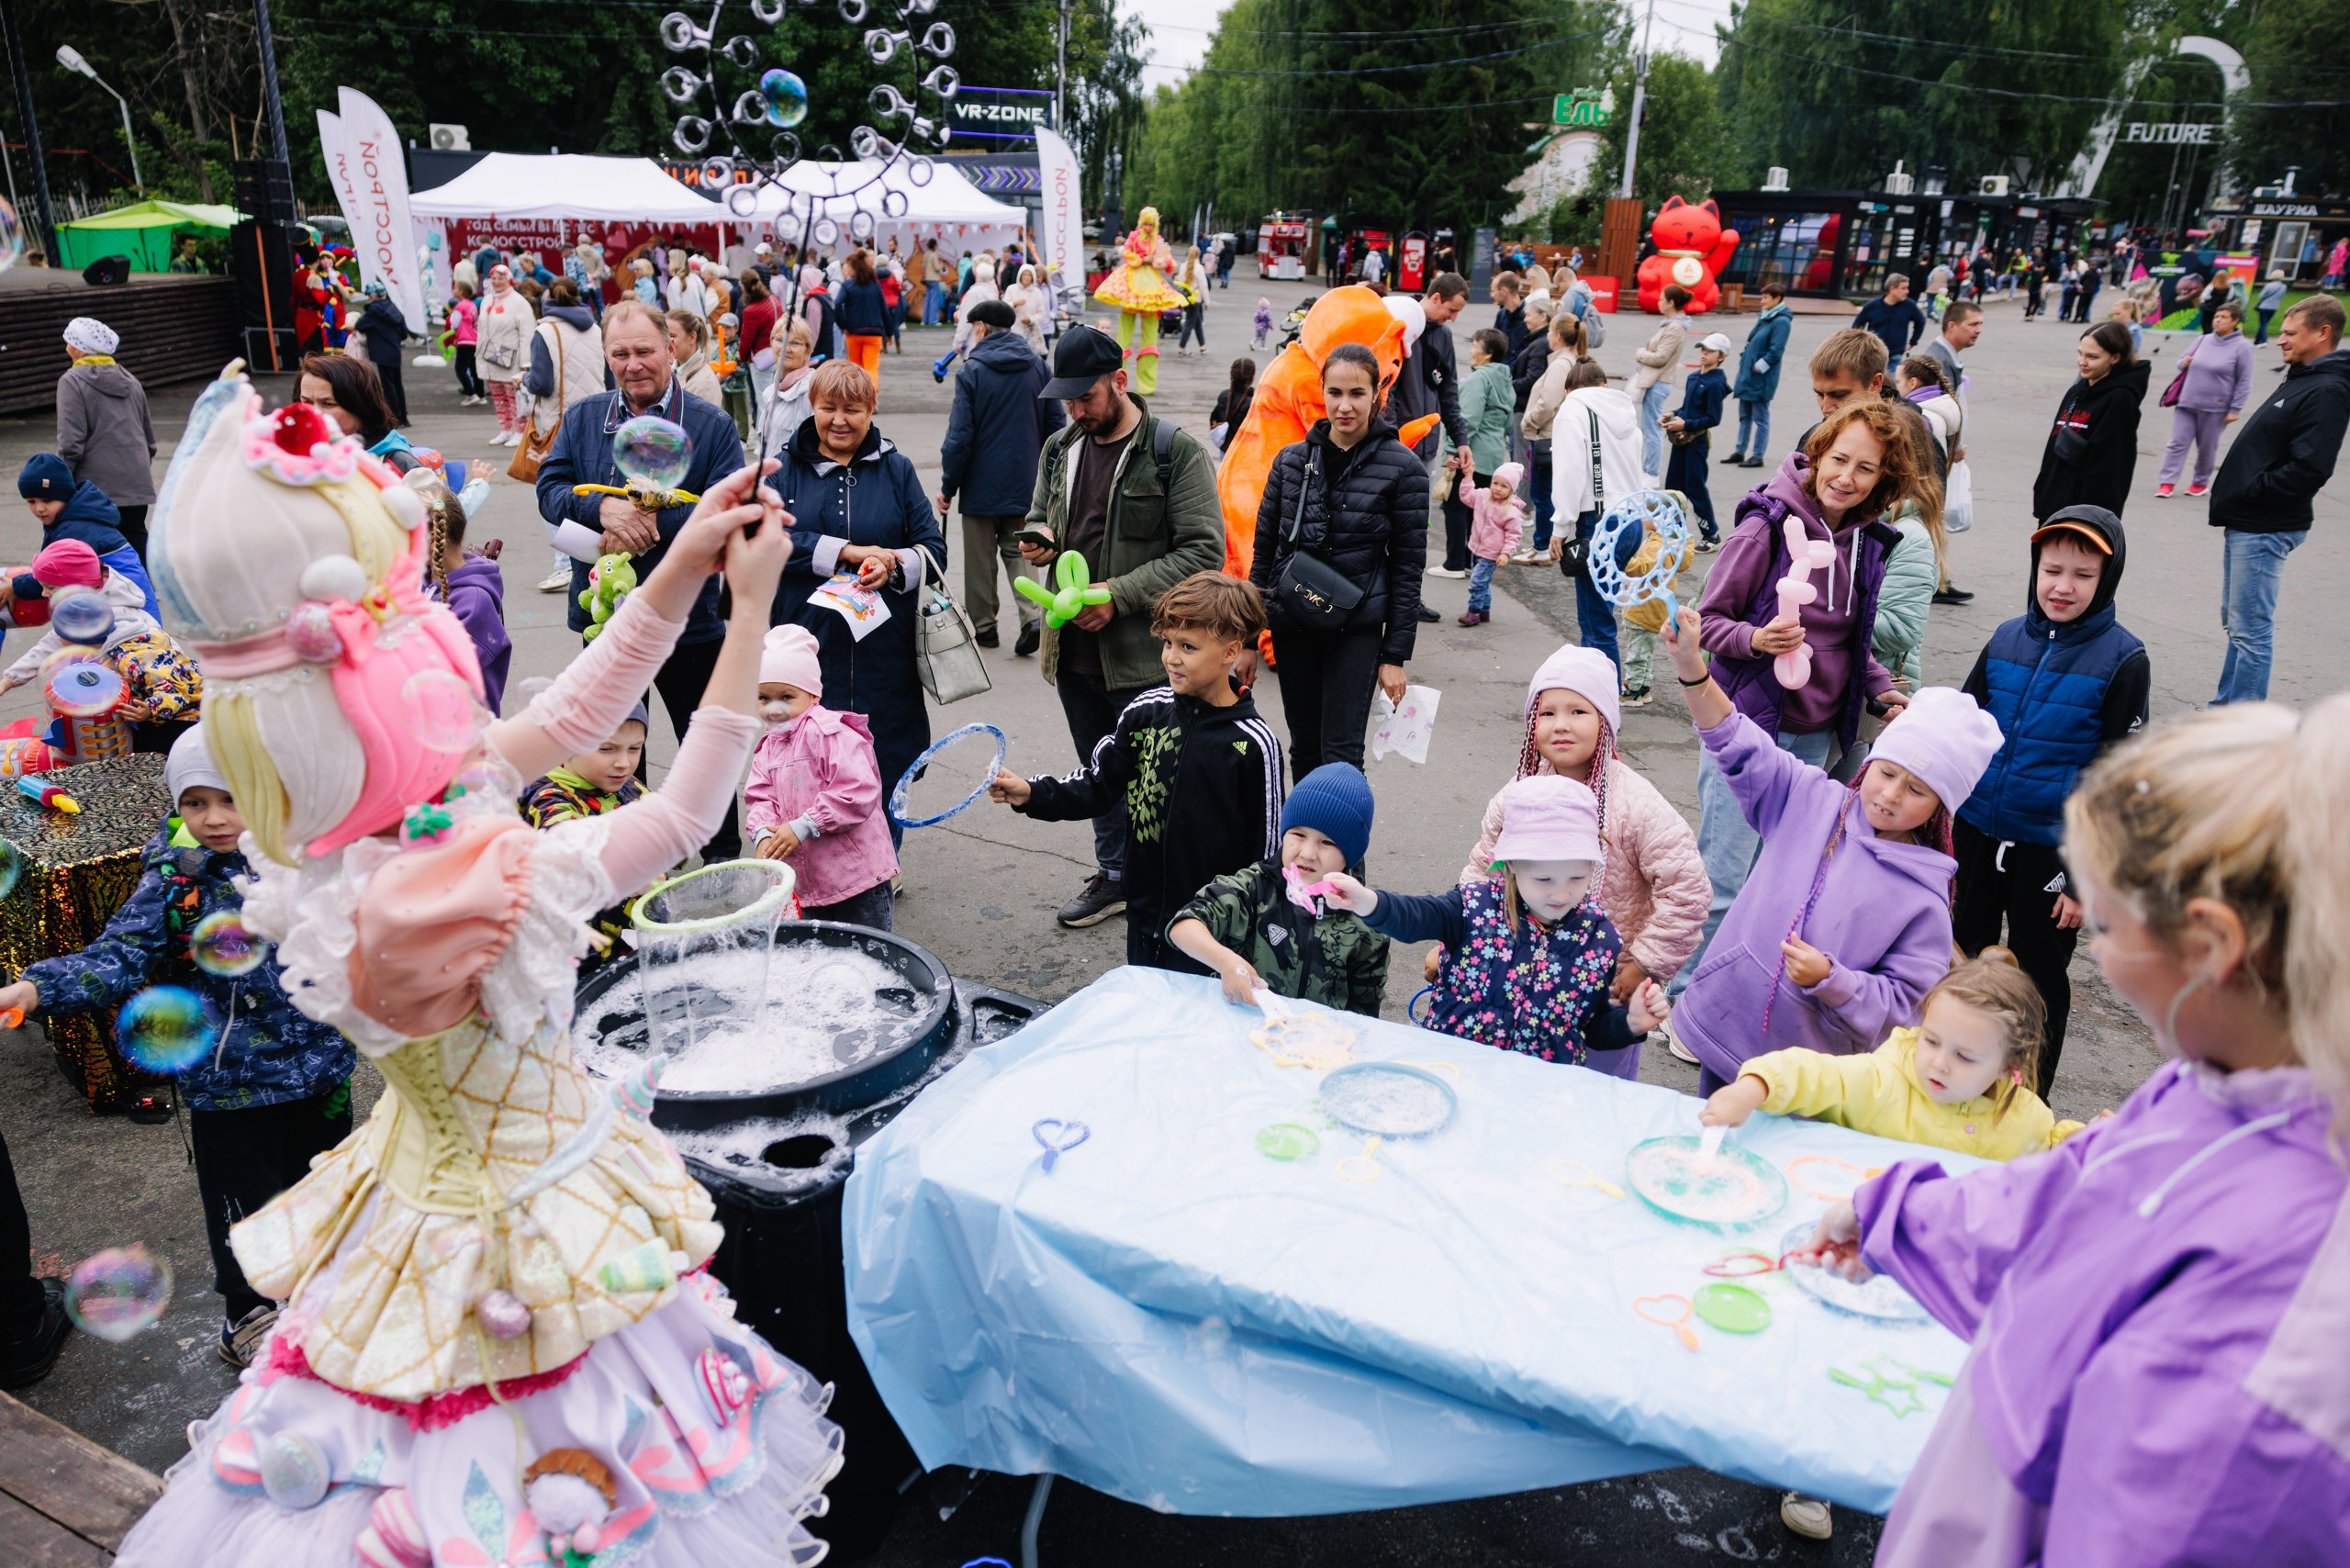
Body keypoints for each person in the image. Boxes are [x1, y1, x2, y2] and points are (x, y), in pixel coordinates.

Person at [113, 370, 844, 1562]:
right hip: (522, 1237)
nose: (438, 660)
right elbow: (675, 818)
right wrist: (749, 613)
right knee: (546, 1500)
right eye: (407, 645)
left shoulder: (352, 826)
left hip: (427, 1206)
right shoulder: (446, 890)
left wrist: (686, 563)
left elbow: (558, 722)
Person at [1799, 699, 2350, 1568]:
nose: (2093, 945)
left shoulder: (2289, 1327)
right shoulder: (2208, 1085)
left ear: (2209, 947)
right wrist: (1897, 1217)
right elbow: (2069, 1198)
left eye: (2104, 925)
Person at [0, 726, 353, 1367]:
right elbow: (119, 955)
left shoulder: (312, 858)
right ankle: (246, 1315)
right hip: (229, 1087)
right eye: (195, 802)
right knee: (244, 1215)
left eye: (232, 797)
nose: (214, 818)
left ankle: (320, 1296)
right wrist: (35, 989)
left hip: (323, 1069)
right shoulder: (176, 882)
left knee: (325, 1194)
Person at [1664, 610, 2003, 1093]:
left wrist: (1834, 980)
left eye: (1917, 790)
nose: (1890, 795)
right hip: (1727, 1027)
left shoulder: (1925, 902)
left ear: (1939, 810)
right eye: (1888, 773)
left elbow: (1904, 1007)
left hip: (1812, 1080)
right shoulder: (1809, 799)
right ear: (1872, 764)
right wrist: (1692, 666)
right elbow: (1737, 741)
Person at [1662, 399, 1919, 1025]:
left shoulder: (1865, 540)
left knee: (1780, 884)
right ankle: (1681, 1003)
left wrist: (1881, 690)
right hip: (1750, 726)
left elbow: (1850, 638)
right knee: (1726, 877)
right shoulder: (1766, 527)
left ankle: (1740, 997)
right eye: (1839, 459)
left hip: (1821, 740)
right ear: (1817, 455)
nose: (1847, 477)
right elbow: (1708, 622)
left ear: (1881, 479)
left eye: (1865, 468)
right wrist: (1757, 640)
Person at [1019, 325, 1225, 927]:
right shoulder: (1059, 448)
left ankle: (1173, 886)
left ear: (1119, 382)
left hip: (1143, 656)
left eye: (1087, 398)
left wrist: (1119, 594)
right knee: (1099, 771)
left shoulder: (1173, 450)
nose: (1077, 410)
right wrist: (1040, 538)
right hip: (1073, 649)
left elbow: (1203, 550)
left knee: (1161, 778)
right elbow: (1040, 514)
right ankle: (1115, 875)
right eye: (1068, 401)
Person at [536, 298, 749, 858]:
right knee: (616, 749)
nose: (633, 364)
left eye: (645, 351)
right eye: (620, 353)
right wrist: (603, 512)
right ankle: (641, 861)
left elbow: (729, 506)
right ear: (607, 356)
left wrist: (653, 522)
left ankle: (723, 855)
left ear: (671, 349)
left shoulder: (710, 424)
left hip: (690, 620)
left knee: (704, 745)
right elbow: (549, 491)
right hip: (605, 618)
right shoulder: (584, 418)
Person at [991, 573, 1282, 968]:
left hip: (1214, 934)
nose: (1171, 657)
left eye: (1188, 646)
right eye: (1167, 642)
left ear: (1231, 651)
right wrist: (1032, 792)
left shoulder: (1253, 743)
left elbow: (1267, 856)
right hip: (1144, 916)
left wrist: (1251, 934)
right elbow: (1098, 783)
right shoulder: (1147, 712)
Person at [1953, 506, 2145, 1095]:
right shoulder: (2006, 636)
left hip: (2051, 854)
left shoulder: (2123, 658)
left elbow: (2117, 779)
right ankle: (1960, 1081)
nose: (2063, 586)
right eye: (2052, 569)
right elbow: (1963, 725)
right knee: (1964, 965)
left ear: (2106, 581)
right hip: (1976, 834)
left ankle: (2025, 1097)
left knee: (2037, 979)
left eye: (2082, 575)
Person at [1458, 645, 1708, 1070]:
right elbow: (1483, 872)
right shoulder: (1518, 794)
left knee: (1593, 1105)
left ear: (1606, 723)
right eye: (1548, 712)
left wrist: (1644, 965)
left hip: (1605, 989)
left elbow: (1688, 891)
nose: (1561, 725)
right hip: (1520, 982)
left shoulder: (1636, 804)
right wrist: (1462, 941)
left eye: (1578, 711)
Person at [1322, 775, 1670, 1062]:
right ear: (1512, 866)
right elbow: (1415, 916)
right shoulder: (1473, 906)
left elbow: (1589, 1027)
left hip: (1537, 1095)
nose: (1561, 894)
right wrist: (1368, 901)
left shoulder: (1598, 938)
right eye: (1544, 879)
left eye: (1577, 878)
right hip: (1455, 1070)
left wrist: (1631, 1022)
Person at [1703, 953, 2081, 1159]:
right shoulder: (1884, 1080)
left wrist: (2095, 1143)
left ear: (2008, 1066)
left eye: (1965, 1057)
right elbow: (1815, 1073)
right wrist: (1753, 1088)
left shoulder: (2027, 1119)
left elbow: (2054, 1156)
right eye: (1931, 1040)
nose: (1939, 1062)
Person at [1246, 345, 1425, 771]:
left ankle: (1337, 840)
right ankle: (1301, 840)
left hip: (1356, 630)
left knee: (1343, 755)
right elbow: (1264, 552)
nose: (1345, 405)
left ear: (1377, 393)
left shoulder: (1404, 468)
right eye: (1335, 392)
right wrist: (1248, 639)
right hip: (1293, 624)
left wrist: (1394, 656)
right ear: (1321, 392)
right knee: (1304, 749)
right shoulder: (1290, 461)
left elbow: (1407, 569)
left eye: (1357, 393)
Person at [2207, 293, 2350, 705]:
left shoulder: (2327, 389)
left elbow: (2311, 468)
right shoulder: (2304, 378)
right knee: (2239, 626)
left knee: (2251, 630)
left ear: (2322, 333)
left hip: (2265, 524)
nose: (2280, 340)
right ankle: (2226, 711)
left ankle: (2244, 726)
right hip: (2251, 520)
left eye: (2290, 333)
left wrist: (2251, 492)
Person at [1169, 762, 1389, 1014]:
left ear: (1351, 854)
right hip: (1247, 1034)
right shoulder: (1254, 888)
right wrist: (1225, 961)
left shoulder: (1366, 922)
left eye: (1327, 842)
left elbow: (1366, 1013)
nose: (1307, 853)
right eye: (1298, 834)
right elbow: (1183, 926)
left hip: (1321, 1046)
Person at [744, 624, 898, 927]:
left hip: (857, 878)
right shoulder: (769, 745)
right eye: (763, 698)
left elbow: (857, 790)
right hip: (807, 881)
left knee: (867, 953)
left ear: (813, 694)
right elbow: (760, 795)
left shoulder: (829, 732)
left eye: (786, 696)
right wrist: (764, 832)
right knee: (819, 958)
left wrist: (806, 823)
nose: (774, 707)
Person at [937, 298, 1062, 656]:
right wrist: (1047, 473)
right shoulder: (1038, 367)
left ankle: (985, 627)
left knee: (979, 558)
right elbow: (1056, 425)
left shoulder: (972, 370)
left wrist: (948, 487)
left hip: (980, 483)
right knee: (1021, 549)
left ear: (980, 329)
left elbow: (959, 437)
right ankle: (1032, 616)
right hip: (1027, 480)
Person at [0, 540, 201, 752]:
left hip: (184, 721)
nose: (42, 594)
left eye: (49, 587)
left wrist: (150, 710)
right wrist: (8, 680)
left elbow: (176, 687)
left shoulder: (132, 653)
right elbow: (49, 644)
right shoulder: (93, 616)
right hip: (159, 711)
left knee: (145, 752)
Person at [519, 703, 654, 972]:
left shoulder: (627, 784)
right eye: (606, 749)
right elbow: (570, 846)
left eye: (634, 748)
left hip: (622, 941)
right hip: (570, 953)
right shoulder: (547, 795)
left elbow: (668, 833)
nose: (623, 763)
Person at [1547, 359, 1643, 668]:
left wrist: (1560, 526)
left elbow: (1569, 473)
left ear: (1567, 390)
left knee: (1595, 623)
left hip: (1599, 520)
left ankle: (1602, 706)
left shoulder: (1572, 410)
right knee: (1602, 615)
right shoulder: (1624, 411)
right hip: (1631, 518)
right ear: (1604, 385)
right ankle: (1600, 700)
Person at [520, 280, 605, 592]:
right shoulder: (595, 329)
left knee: (549, 490)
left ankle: (567, 563)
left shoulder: (545, 331)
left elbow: (541, 383)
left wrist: (525, 378)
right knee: (592, 488)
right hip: (599, 414)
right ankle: (594, 559)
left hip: (561, 419)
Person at [55, 317, 155, 559]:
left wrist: (61, 485)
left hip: (94, 487)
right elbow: (149, 441)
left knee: (92, 553)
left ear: (79, 349)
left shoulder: (72, 381)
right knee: (134, 545)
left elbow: (71, 443)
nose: (66, 348)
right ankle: (145, 595)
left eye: (69, 342)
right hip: (135, 483)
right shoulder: (130, 380)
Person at [413, 472, 511, 716]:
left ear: (431, 539)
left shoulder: (473, 604)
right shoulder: (426, 582)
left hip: (464, 734)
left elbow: (435, 674)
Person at [2032, 320, 2149, 521]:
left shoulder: (2120, 399)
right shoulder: (2077, 390)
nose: (2082, 362)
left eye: (2092, 357)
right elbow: (2053, 448)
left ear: (2115, 357)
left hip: (2084, 515)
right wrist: (2043, 493)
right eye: (2080, 353)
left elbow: (2112, 466)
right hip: (2053, 506)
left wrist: (2092, 519)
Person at [16, 453, 158, 616]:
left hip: (134, 613)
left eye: (47, 501)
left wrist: (14, 587)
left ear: (66, 496)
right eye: (31, 501)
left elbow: (51, 577)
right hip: (123, 604)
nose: (39, 508)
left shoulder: (76, 529)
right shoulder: (70, 518)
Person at [1434, 328, 1515, 583]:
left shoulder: (1479, 380)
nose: (1471, 350)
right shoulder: (1504, 380)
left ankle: (1454, 563)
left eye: (1475, 345)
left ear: (1487, 354)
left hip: (1471, 452)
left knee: (1456, 507)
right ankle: (1470, 561)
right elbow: (1508, 421)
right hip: (1492, 455)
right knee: (1478, 510)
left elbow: (1467, 419)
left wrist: (1451, 449)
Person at [2153, 300, 2254, 501]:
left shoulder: (2243, 347)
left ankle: (2200, 482)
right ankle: (2167, 483)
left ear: (2235, 321)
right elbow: (2180, 363)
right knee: (2176, 443)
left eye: (2223, 317)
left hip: (2216, 406)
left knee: (2207, 446)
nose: (2217, 321)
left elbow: (2245, 380)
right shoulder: (2203, 340)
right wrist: (2184, 362)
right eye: (2216, 316)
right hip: (2187, 401)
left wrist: (2235, 408)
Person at [1518, 312, 1588, 562]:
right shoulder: (1568, 360)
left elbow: (1548, 402)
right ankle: (1541, 544)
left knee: (1542, 493)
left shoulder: (1561, 364)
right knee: (1546, 492)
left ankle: (1542, 547)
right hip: (1551, 434)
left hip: (1546, 435)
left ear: (1557, 336)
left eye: (1549, 331)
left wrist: (1530, 422)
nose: (1547, 335)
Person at [1662, 331, 1732, 545]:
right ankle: (1674, 531)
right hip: (1681, 440)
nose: (1703, 354)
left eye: (1709, 351)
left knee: (1695, 487)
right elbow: (1687, 407)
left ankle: (1711, 534)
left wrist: (1685, 424)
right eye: (1702, 350)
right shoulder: (1694, 377)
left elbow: (1713, 418)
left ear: (1721, 356)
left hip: (1697, 442)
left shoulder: (1715, 383)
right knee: (1673, 486)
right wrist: (1674, 414)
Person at [297, 352, 417, 473]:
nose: (314, 413)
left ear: (361, 406)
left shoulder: (405, 470)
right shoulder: (289, 459)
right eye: (306, 402)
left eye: (328, 404)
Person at [1630, 284, 1691, 478]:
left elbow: (1661, 357)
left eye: (1661, 299)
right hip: (1657, 380)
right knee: (1650, 427)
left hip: (1659, 381)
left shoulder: (1675, 327)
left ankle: (1651, 472)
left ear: (1671, 303)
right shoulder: (1670, 324)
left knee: (1652, 429)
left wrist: (1641, 353)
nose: (1658, 302)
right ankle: (1649, 469)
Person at [1456, 461, 1525, 628]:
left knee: (1477, 582)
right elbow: (1467, 496)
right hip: (1476, 548)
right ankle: (1484, 610)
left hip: (1492, 553)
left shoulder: (1511, 511)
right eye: (1495, 483)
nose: (1497, 488)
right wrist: (1468, 477)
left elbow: (1513, 535)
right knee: (1483, 582)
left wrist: (1505, 553)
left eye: (1504, 486)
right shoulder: (1483, 496)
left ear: (1512, 490)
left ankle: (1473, 612)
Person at [1729, 285, 1791, 469]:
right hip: (1749, 376)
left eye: (1765, 298)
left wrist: (1757, 367)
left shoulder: (1781, 321)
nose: (1762, 301)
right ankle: (1740, 451)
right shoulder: (1766, 317)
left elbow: (1776, 351)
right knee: (1745, 415)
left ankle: (1757, 455)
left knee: (1760, 417)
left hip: (1760, 378)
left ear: (1777, 298)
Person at [476, 263, 534, 447]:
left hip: (512, 359)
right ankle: (505, 430)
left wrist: (526, 362)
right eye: (493, 278)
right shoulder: (487, 300)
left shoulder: (519, 303)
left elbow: (527, 333)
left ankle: (520, 431)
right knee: (498, 396)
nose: (496, 282)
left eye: (500, 278)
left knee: (515, 396)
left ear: (508, 280)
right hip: (491, 357)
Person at [350, 281, 411, 424]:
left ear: (372, 296)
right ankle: (403, 416)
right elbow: (403, 333)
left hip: (382, 352)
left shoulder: (373, 312)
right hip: (395, 350)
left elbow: (360, 325)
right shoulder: (393, 308)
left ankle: (394, 417)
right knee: (397, 384)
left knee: (388, 385)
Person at [1852, 274, 1927, 367]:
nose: (1907, 291)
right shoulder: (1872, 305)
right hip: (1873, 355)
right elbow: (1856, 327)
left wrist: (1912, 342)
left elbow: (1921, 321)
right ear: (1892, 289)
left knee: (1890, 382)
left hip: (1895, 356)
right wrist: (1860, 346)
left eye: (1907, 288)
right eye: (1903, 288)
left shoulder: (1909, 305)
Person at [836, 248, 887, 383]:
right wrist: (889, 332)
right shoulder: (875, 285)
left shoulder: (848, 285)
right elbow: (884, 308)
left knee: (855, 368)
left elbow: (837, 304)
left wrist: (843, 324)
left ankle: (856, 398)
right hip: (874, 332)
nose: (847, 270)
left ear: (854, 268)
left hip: (854, 332)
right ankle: (872, 397)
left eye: (849, 267)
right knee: (871, 366)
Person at [448, 280, 484, 405]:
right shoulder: (472, 305)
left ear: (461, 291)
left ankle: (471, 393)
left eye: (455, 288)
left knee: (460, 369)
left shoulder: (460, 306)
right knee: (474, 369)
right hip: (474, 339)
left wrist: (453, 329)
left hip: (465, 340)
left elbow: (454, 324)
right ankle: (480, 394)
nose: (453, 289)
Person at [1210, 355, 1256, 451]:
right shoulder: (1253, 401)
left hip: (1226, 448)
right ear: (1252, 378)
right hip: (1245, 450)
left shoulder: (1224, 396)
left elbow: (1213, 419)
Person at [1002, 263, 1049, 353]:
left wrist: (1031, 319)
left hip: (1032, 333)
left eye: (1029, 275)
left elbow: (1042, 313)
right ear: (1020, 275)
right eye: (1025, 274)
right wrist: (1014, 303)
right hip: (1014, 330)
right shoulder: (1011, 289)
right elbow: (1004, 308)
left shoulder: (1037, 292)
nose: (1027, 277)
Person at [1176, 247, 1208, 356]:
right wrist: (1207, 302)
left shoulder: (1183, 267)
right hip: (1196, 299)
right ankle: (1182, 346)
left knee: (1197, 322)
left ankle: (1202, 346)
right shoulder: (1199, 268)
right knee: (1190, 323)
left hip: (1186, 298)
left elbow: (1180, 283)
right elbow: (1203, 286)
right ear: (1198, 255)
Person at [1491, 271, 1528, 357]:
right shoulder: (1501, 315)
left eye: (1493, 291)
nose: (1491, 295)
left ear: (1504, 291)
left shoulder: (1529, 316)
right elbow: (1495, 345)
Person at [2255, 266, 2287, 344]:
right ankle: (2257, 340)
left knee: (2263, 323)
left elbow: (2261, 296)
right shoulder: (2283, 287)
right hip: (2274, 307)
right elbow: (2281, 297)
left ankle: (2264, 340)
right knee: (2264, 323)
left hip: (2264, 306)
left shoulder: (2269, 285)